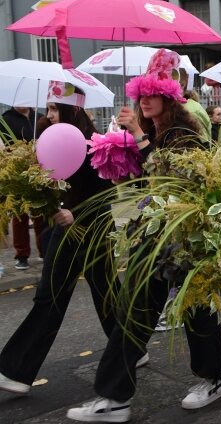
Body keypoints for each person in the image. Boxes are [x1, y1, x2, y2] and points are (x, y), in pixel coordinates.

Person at [66, 49, 221, 423]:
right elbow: (145, 183)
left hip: (183, 236)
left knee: (197, 310)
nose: (145, 101)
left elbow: (177, 177)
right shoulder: (152, 130)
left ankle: (214, 377)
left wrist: (138, 137)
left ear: (169, 97)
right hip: (151, 234)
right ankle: (114, 397)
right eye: (141, 95)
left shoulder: (184, 131)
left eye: (152, 95)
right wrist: (120, 157)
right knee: (134, 311)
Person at [0, 83, 120, 396]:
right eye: (49, 108)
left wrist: (75, 214)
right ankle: (129, 348)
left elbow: (106, 193)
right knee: (92, 294)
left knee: (87, 294)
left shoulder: (95, 144)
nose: (49, 115)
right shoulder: (51, 138)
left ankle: (15, 368)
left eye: (55, 109)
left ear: (71, 109)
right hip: (65, 230)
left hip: (91, 229)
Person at [1, 106, 46, 270]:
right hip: (16, 173)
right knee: (19, 215)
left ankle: (44, 251)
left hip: (39, 172)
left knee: (41, 212)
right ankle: (21, 255)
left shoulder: (41, 118)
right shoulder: (5, 120)